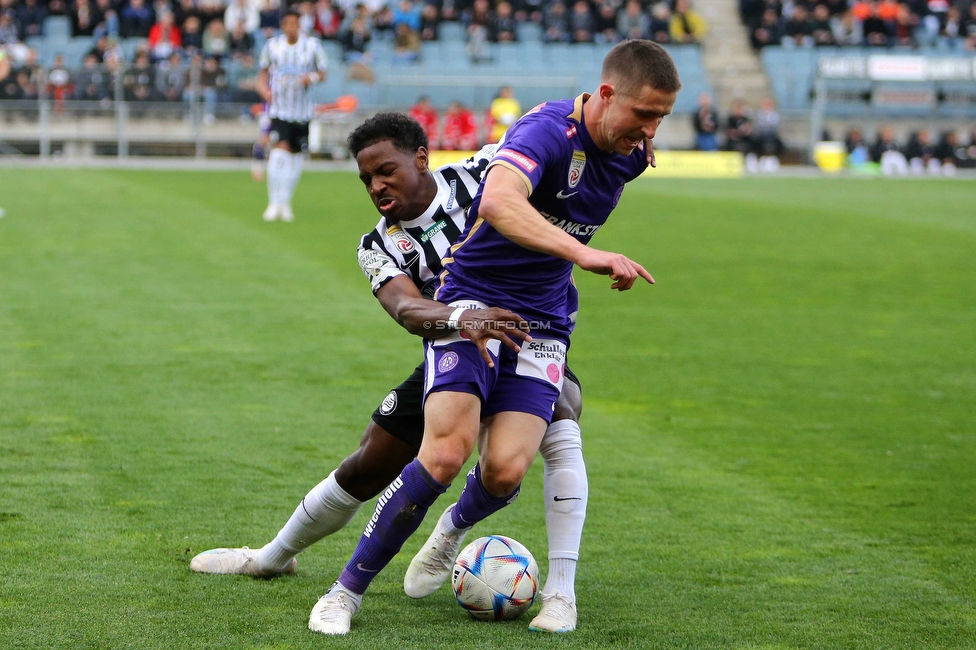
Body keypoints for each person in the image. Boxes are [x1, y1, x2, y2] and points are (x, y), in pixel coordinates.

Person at [309, 39, 679, 637]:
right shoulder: (546, 132)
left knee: (506, 471)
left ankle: (451, 529)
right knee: (444, 453)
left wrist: (637, 133)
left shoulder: (630, 151)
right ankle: (344, 592)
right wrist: (584, 253)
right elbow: (501, 201)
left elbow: (607, 158)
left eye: (660, 117)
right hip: (473, 300)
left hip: (543, 321)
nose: (650, 128)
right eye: (644, 114)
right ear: (606, 95)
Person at [189, 114, 593, 635]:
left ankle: (520, 570)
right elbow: (405, 310)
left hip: (530, 334)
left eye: (385, 170)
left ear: (421, 158)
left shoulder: (484, 173)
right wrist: (459, 318)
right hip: (453, 346)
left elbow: (559, 144)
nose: (377, 186)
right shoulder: (378, 244)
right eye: (366, 179)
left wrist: (622, 140)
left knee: (559, 412)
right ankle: (270, 557)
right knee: (369, 464)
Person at [256, 8, 327, 222]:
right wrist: (263, 90)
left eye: (295, 23)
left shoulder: (312, 46)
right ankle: (273, 201)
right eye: (287, 23)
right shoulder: (273, 46)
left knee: (295, 156)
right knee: (279, 152)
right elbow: (262, 73)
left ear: (300, 24)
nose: (291, 27)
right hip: (280, 110)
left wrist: (310, 78)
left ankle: (285, 202)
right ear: (283, 25)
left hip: (302, 111)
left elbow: (323, 73)